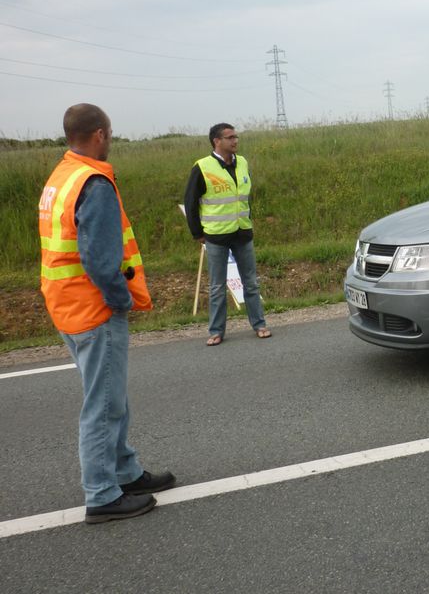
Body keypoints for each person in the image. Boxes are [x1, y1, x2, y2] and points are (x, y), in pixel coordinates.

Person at [39, 104, 175, 524]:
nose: (112, 137)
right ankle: (102, 494)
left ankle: (125, 472)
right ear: (99, 134)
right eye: (111, 131)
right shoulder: (93, 182)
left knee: (111, 397)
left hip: (67, 302)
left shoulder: (62, 175)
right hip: (94, 307)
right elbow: (100, 260)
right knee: (102, 404)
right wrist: (120, 298)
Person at [184, 123, 271, 346]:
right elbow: (191, 202)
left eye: (236, 137)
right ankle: (216, 331)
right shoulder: (202, 167)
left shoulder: (242, 162)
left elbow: (245, 196)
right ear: (217, 141)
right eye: (230, 137)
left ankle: (259, 324)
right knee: (217, 286)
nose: (235, 141)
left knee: (250, 283)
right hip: (216, 236)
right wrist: (197, 233)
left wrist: (248, 221)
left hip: (242, 233)